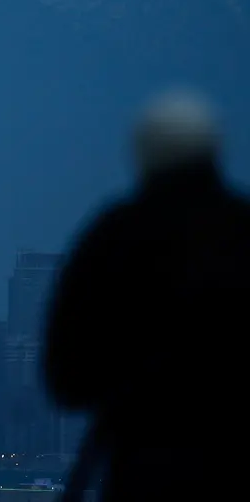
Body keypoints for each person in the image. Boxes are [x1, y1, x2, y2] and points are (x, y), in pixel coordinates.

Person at [44, 89, 250, 502]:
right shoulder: (241, 231)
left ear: (140, 153)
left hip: (142, 466)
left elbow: (65, 378)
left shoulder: (112, 236)